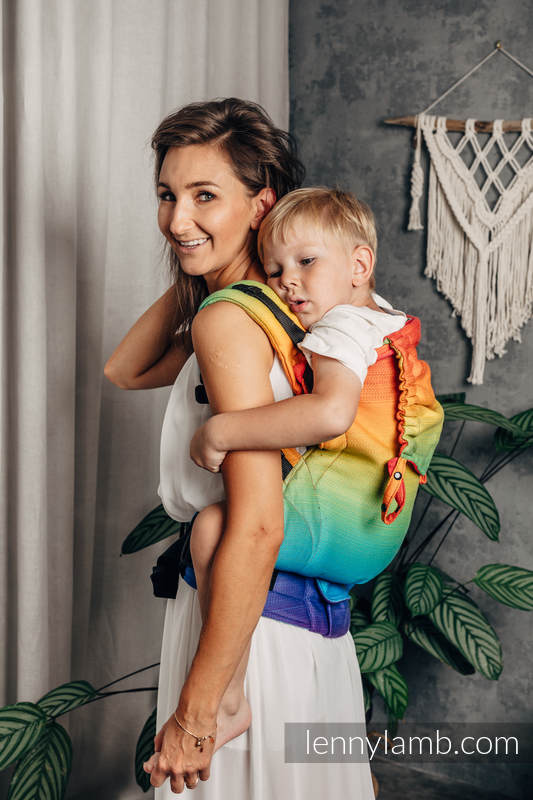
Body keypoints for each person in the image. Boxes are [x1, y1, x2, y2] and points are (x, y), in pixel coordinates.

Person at [105, 98, 376, 798]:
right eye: (167, 195)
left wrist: (202, 710)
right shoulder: (288, 308)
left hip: (245, 626)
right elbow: (124, 369)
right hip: (300, 622)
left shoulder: (230, 322)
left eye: (205, 196)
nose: (176, 219)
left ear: (262, 205)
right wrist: (200, 262)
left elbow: (257, 522)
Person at [185, 186, 414, 744]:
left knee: (212, 527)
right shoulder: (383, 319)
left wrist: (221, 430)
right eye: (276, 269)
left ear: (360, 265)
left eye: (306, 262)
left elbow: (330, 414)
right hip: (375, 531)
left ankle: (229, 696)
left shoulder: (340, 329)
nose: (288, 281)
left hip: (341, 527)